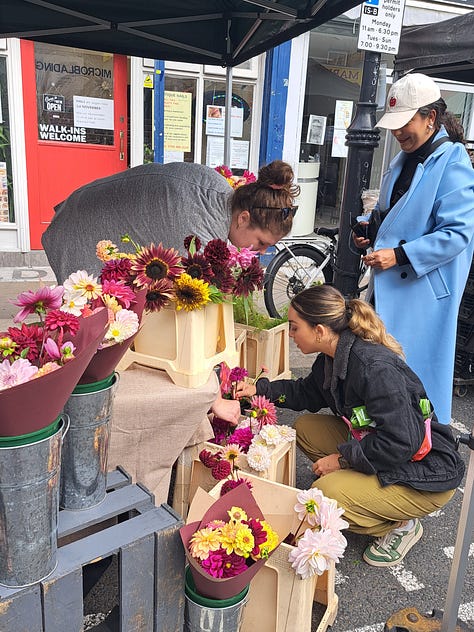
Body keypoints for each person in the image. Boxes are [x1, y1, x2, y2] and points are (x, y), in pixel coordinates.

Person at [236, 285, 465, 567]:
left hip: (424, 469)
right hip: (387, 446)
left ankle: (400, 525)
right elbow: (305, 392)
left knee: (327, 497)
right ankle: (362, 493)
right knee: (306, 427)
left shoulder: (373, 368)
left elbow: (402, 441)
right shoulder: (333, 358)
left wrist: (342, 460)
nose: (291, 335)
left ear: (319, 330)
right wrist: (258, 390)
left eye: (295, 328)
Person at [352, 73, 474, 425]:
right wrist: (368, 232)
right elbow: (389, 216)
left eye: (405, 123)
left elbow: (457, 234)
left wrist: (400, 255)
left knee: (413, 382)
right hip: (390, 285)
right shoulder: (402, 160)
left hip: (420, 294)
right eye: (394, 125)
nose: (398, 133)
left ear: (430, 117)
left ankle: (418, 456)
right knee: (382, 375)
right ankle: (378, 442)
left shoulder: (453, 162)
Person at [42, 160, 299, 283]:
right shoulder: (200, 230)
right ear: (243, 219)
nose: (262, 252)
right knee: (90, 316)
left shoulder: (221, 192)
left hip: (91, 204)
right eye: (262, 242)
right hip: (81, 227)